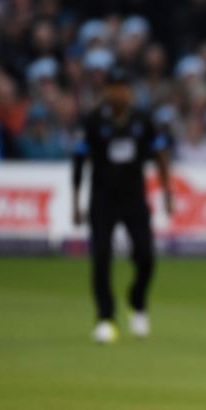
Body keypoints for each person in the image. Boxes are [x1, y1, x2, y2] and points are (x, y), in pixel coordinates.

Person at [72, 68, 173, 344]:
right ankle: (106, 318)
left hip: (134, 198)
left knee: (146, 256)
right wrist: (75, 201)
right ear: (106, 91)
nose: (119, 93)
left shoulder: (142, 120)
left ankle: (137, 301)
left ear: (130, 91)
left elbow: (160, 153)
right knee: (101, 257)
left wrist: (167, 191)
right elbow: (79, 161)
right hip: (102, 198)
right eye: (114, 87)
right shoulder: (93, 121)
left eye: (123, 87)